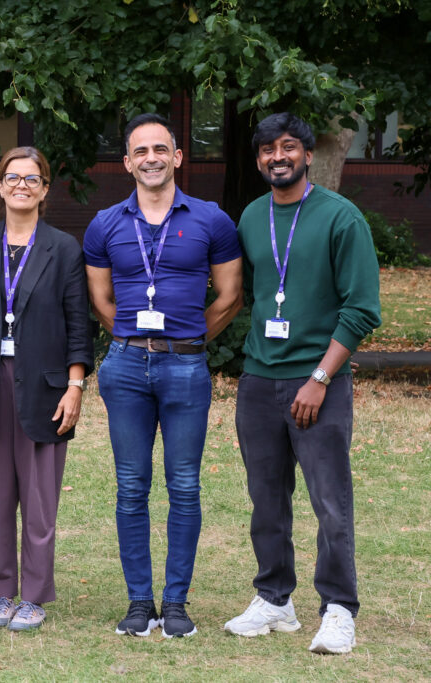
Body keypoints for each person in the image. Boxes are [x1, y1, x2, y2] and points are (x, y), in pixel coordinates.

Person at [223, 113, 381, 654]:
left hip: (319, 382)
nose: (277, 157)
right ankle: (275, 598)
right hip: (258, 380)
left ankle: (338, 609)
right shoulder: (249, 217)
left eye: (288, 147)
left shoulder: (341, 218)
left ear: (308, 155)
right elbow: (239, 291)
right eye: (268, 150)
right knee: (265, 499)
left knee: (329, 501)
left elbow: (361, 310)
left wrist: (319, 378)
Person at [83, 113, 243, 638]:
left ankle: (175, 604)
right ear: (127, 162)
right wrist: (137, 342)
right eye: (140, 151)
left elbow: (228, 297)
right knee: (131, 487)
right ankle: (137, 602)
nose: (151, 158)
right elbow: (102, 301)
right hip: (125, 366)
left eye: (161, 149)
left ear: (176, 157)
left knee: (185, 485)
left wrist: (189, 342)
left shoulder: (212, 220)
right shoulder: (105, 224)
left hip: (186, 367)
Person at [0, 147, 92, 632]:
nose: (21, 185)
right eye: (12, 177)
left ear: (45, 188)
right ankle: (0, 593)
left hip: (45, 386)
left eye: (32, 179)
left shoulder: (63, 247)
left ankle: (33, 596)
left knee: (40, 501)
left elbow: (79, 323)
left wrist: (76, 385)